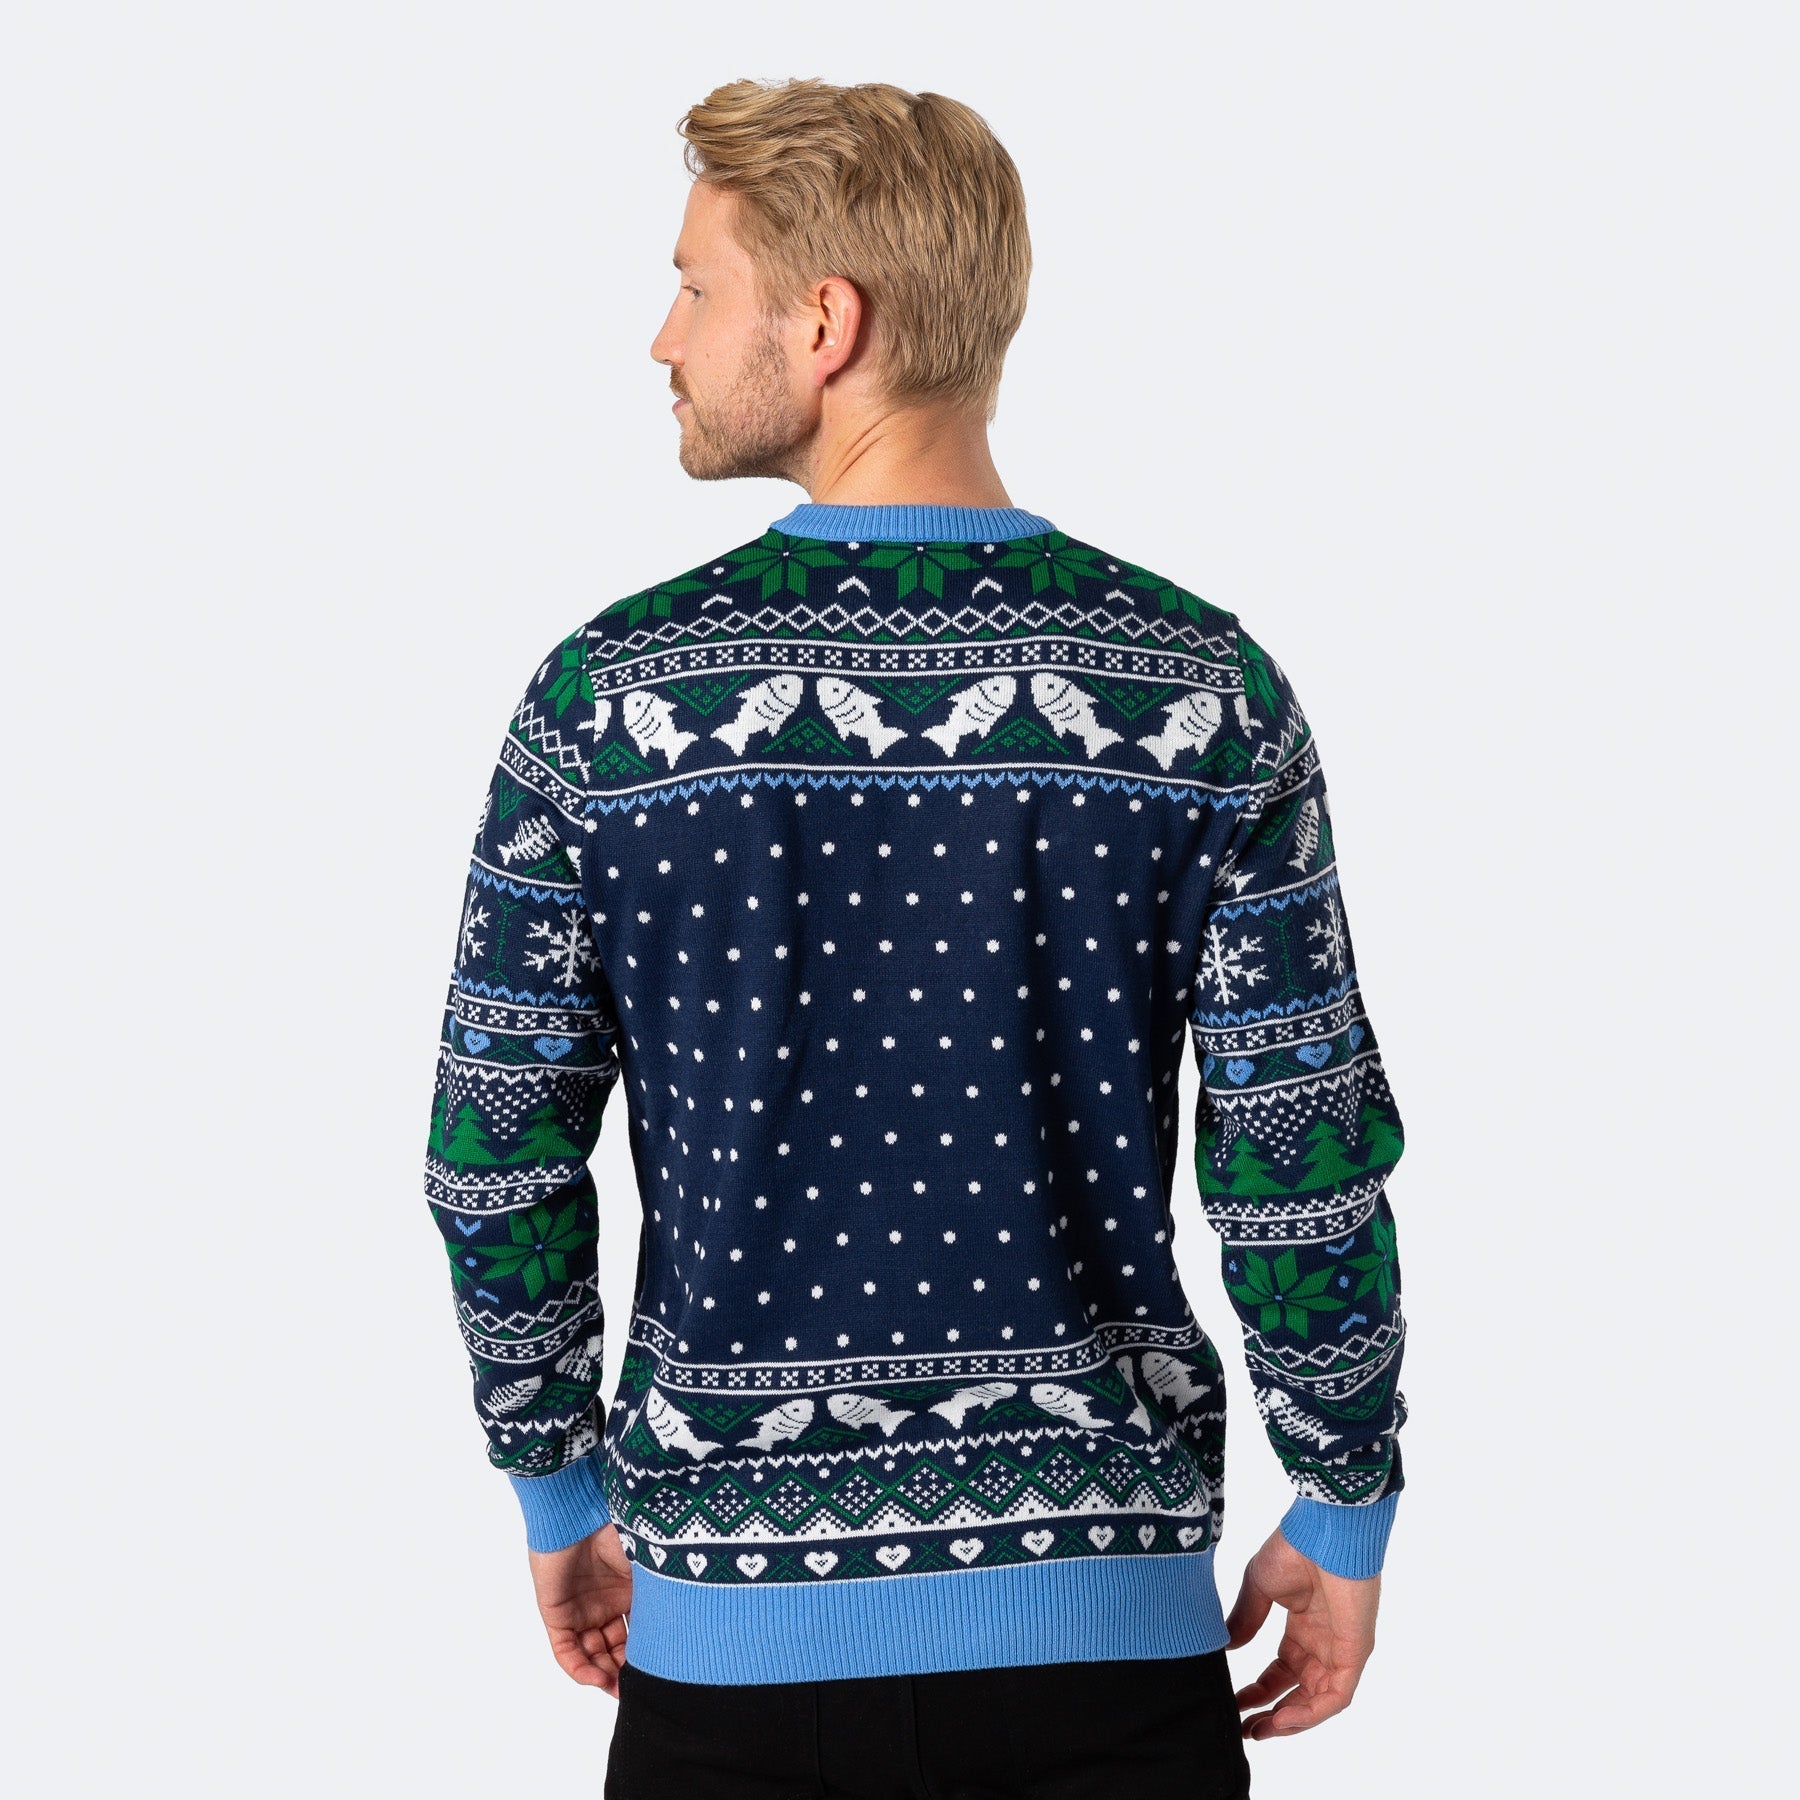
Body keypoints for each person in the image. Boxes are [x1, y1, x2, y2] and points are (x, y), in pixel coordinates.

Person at [423, 76, 1407, 1800]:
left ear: (826, 323)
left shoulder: (610, 703)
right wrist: (1342, 1502)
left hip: (731, 1663)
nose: (662, 336)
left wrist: (558, 1487)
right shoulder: (1201, 690)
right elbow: (1298, 1153)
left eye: (696, 286)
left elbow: (493, 1155)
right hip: (1108, 1658)